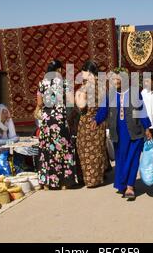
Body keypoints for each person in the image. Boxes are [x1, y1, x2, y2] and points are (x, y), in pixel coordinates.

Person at [93, 67, 152, 201]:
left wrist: (147, 128)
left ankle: (130, 186)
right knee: (121, 160)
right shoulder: (111, 94)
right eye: (114, 78)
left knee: (133, 158)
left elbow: (141, 110)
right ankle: (123, 183)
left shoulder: (134, 92)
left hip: (135, 131)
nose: (115, 80)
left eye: (118, 77)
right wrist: (96, 120)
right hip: (118, 133)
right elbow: (103, 109)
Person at [36, 59, 78, 189]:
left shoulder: (42, 84)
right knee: (63, 149)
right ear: (59, 70)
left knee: (47, 150)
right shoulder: (64, 83)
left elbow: (39, 104)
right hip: (60, 119)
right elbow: (71, 101)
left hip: (47, 120)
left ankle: (48, 183)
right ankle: (65, 182)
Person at [75, 60, 107, 188]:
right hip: (99, 121)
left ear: (87, 72)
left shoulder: (85, 87)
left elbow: (82, 106)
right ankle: (99, 177)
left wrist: (77, 95)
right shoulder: (102, 85)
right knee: (98, 150)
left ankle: (91, 180)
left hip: (88, 122)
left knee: (86, 150)